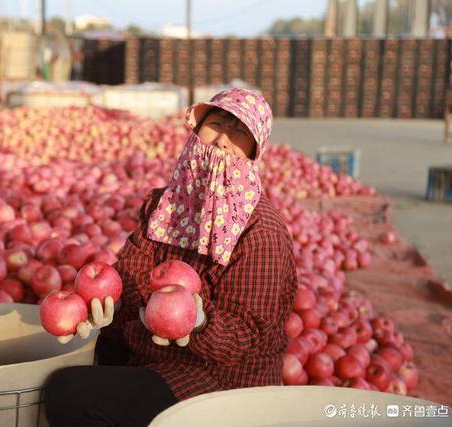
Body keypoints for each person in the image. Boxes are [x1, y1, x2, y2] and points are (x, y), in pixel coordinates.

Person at [43, 88, 298, 427]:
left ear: (255, 151)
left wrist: (199, 322)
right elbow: (129, 275)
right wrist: (106, 308)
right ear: (195, 129)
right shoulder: (167, 206)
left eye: (240, 131)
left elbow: (246, 335)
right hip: (153, 351)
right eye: (217, 123)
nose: (223, 140)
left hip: (219, 379)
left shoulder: (260, 232)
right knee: (72, 359)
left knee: (70, 391)